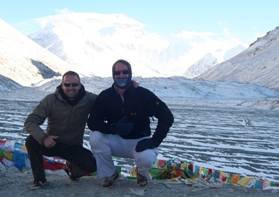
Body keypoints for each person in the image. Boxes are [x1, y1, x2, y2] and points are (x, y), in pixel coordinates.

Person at [87, 59, 174, 188]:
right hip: (116, 139)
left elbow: (167, 116)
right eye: (117, 73)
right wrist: (112, 128)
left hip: (139, 141)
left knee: (146, 157)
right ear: (113, 75)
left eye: (125, 72)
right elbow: (93, 121)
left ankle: (142, 173)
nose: (121, 75)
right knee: (95, 137)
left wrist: (154, 141)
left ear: (130, 73)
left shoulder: (143, 94)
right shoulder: (105, 96)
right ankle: (109, 173)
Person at [24, 71, 97, 190]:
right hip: (52, 143)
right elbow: (30, 121)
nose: (71, 88)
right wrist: (44, 138)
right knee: (31, 141)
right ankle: (39, 179)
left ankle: (73, 171)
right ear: (62, 85)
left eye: (74, 84)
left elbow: (107, 100)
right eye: (67, 84)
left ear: (80, 85)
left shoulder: (88, 99)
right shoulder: (50, 100)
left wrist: (132, 87)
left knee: (92, 164)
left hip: (73, 147)